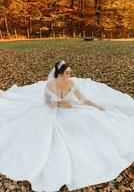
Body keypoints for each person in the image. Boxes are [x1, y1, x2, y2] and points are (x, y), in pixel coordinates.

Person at [0, 60, 134, 192]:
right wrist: (59, 104)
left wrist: (96, 107)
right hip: (55, 112)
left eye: (70, 73)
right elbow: (48, 103)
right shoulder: (51, 86)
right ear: (60, 73)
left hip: (72, 108)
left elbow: (83, 99)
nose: (69, 75)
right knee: (66, 128)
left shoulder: (71, 84)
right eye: (67, 73)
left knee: (92, 116)